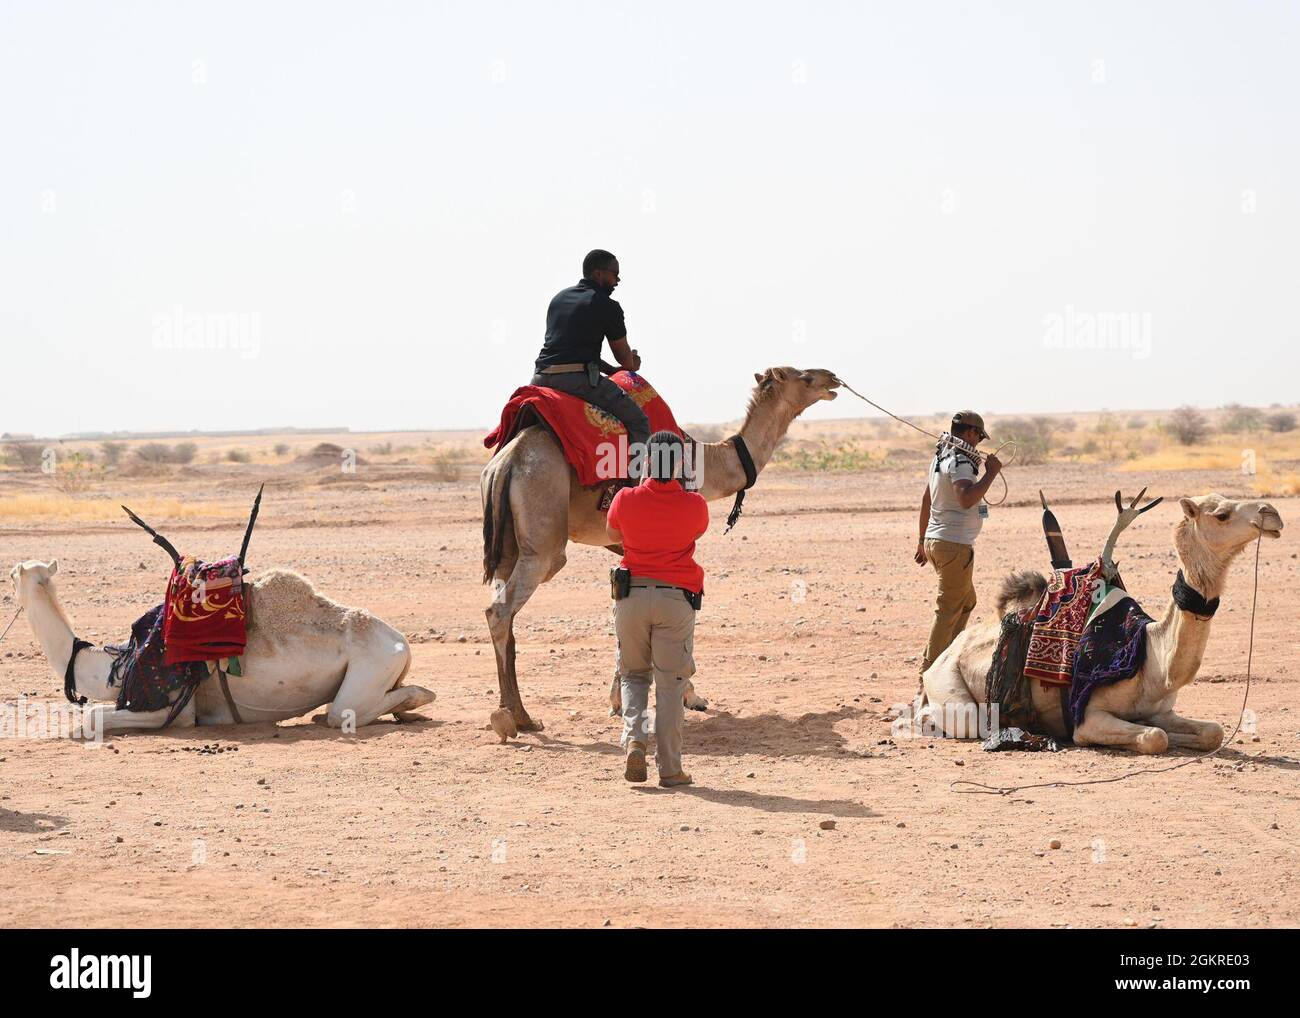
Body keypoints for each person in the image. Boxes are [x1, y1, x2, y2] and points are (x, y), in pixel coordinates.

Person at [606, 430, 707, 788]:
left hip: (631, 598)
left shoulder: (625, 498)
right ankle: (670, 769)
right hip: (675, 600)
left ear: (646, 460)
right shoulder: (695, 505)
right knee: (670, 684)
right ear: (680, 462)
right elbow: (696, 533)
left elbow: (612, 530)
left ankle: (635, 738)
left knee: (634, 675)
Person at [533, 249, 650, 479]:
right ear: (598, 274)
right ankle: (637, 491)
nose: (618, 280)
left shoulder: (559, 299)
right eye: (614, 274)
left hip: (540, 378)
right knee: (640, 422)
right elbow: (625, 360)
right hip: (576, 381)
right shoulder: (607, 306)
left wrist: (610, 371)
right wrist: (632, 363)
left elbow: (571, 351)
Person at [914, 411, 1003, 688]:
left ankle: (946, 659)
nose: (978, 443)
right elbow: (965, 498)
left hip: (937, 542)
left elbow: (927, 499)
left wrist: (922, 540)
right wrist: (991, 474)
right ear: (970, 433)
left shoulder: (940, 457)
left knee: (965, 601)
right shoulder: (962, 460)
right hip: (953, 545)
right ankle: (929, 676)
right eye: (978, 436)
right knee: (949, 609)